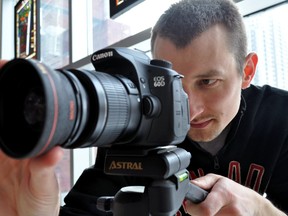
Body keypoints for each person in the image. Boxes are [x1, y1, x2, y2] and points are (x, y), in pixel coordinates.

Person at [0, 0, 288, 215]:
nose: (190, 111)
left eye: (208, 82)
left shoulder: (281, 118)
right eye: (172, 86)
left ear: (247, 71)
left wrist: (262, 210)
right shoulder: (138, 131)